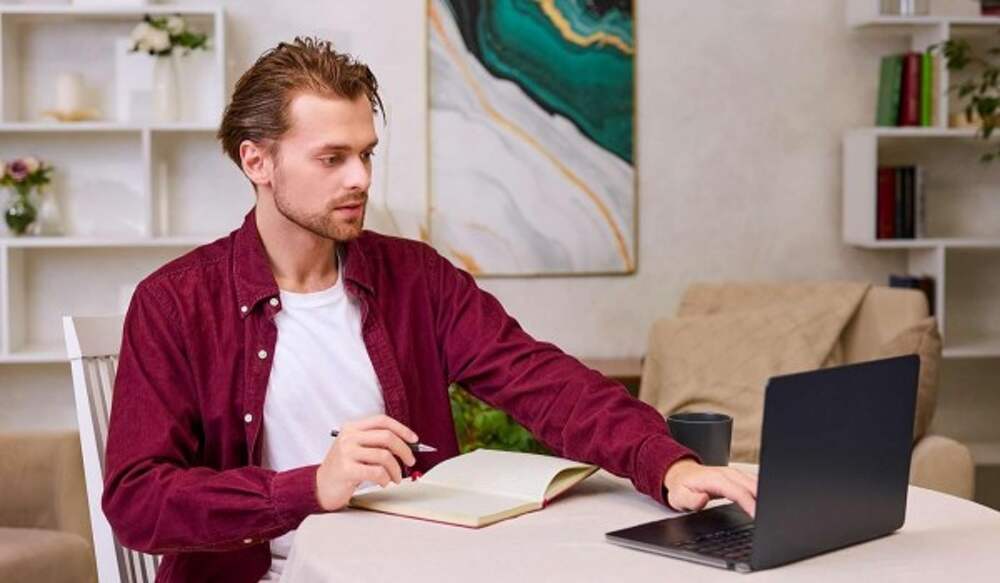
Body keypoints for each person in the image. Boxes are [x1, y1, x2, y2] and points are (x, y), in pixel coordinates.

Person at [102, 37, 758, 583]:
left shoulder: (416, 277)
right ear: (257, 161)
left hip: (409, 567)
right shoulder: (175, 303)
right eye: (331, 158)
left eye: (366, 154)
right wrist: (310, 486)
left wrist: (666, 462)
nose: (360, 178)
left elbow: (541, 379)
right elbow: (137, 501)